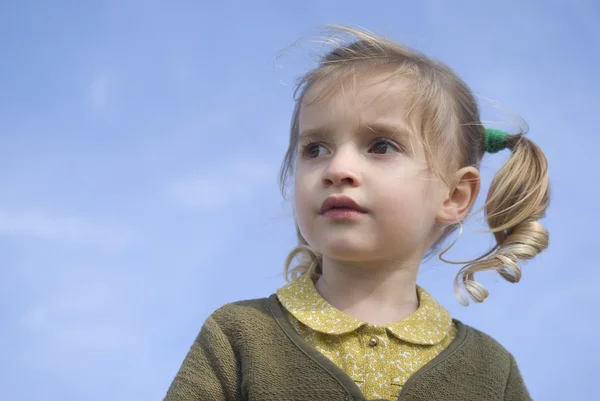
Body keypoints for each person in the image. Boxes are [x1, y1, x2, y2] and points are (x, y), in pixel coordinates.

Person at [164, 26, 549, 401]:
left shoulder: (492, 371)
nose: (336, 169)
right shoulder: (238, 336)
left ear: (453, 195)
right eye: (315, 149)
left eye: (381, 146)